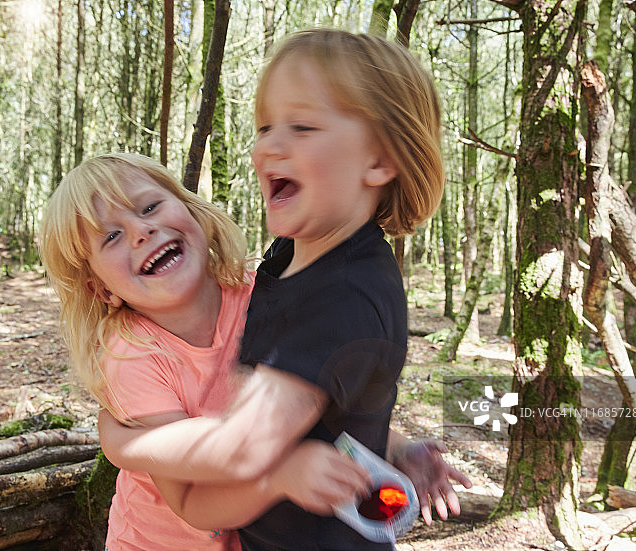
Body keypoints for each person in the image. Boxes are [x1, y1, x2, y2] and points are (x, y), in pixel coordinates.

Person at [98, 28, 471, 551]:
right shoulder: (292, 256)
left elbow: (244, 448)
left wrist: (121, 442)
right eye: (267, 126)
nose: (270, 145)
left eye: (302, 126)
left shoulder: (342, 295)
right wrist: (392, 444)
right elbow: (325, 401)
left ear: (380, 160)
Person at [39, 152, 373, 551]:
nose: (141, 230)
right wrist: (280, 477)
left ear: (191, 212)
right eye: (110, 236)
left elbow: (320, 400)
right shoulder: (130, 355)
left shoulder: (261, 297)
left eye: (149, 206)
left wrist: (399, 448)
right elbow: (190, 502)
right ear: (101, 289)